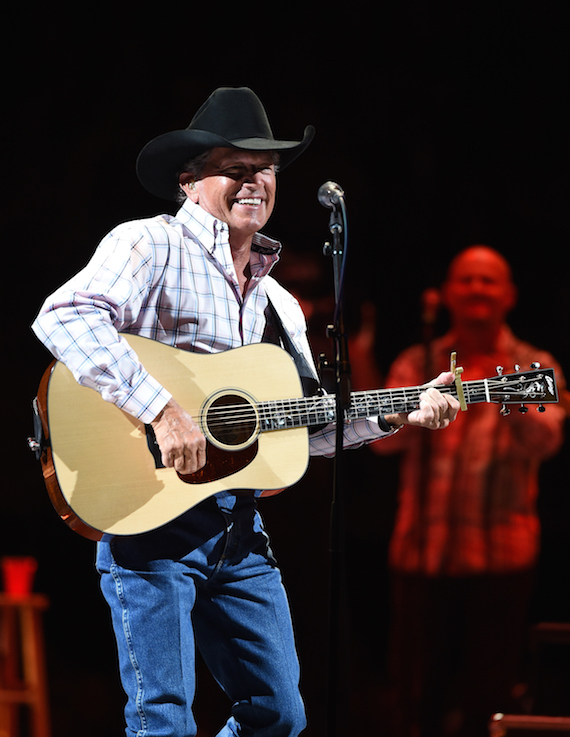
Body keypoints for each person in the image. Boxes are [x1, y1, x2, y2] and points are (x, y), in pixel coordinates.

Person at [31, 87, 460, 737]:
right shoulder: (151, 245)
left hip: (238, 527)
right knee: (162, 720)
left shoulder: (280, 302)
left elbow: (301, 427)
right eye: (235, 167)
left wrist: (396, 412)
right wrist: (160, 408)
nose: (255, 181)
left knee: (279, 714)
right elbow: (63, 315)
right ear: (189, 181)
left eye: (266, 170)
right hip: (149, 523)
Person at [372, 245, 566, 737]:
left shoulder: (534, 364)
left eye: (489, 280)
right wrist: (410, 414)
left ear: (509, 295)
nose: (478, 289)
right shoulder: (419, 359)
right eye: (467, 280)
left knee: (489, 697)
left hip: (500, 558)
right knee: (415, 701)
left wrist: (513, 395)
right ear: (446, 294)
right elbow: (381, 446)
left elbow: (548, 442)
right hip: (421, 555)